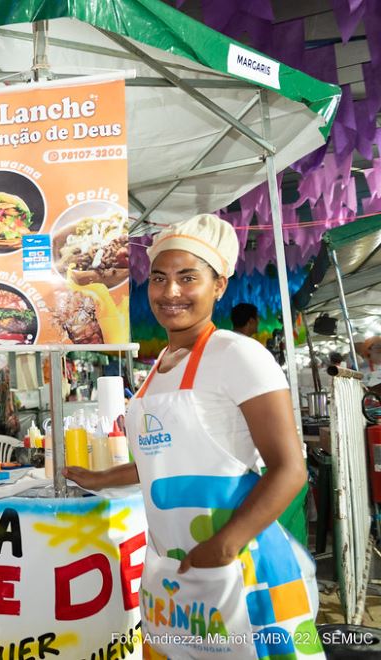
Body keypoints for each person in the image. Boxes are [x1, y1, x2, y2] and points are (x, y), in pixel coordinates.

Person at [64, 214, 323, 659]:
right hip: (173, 572)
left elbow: (290, 468)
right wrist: (97, 477)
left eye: (188, 278)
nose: (171, 292)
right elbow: (170, 459)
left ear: (219, 284)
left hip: (241, 567)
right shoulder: (161, 366)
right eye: (160, 278)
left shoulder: (238, 354)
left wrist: (224, 545)